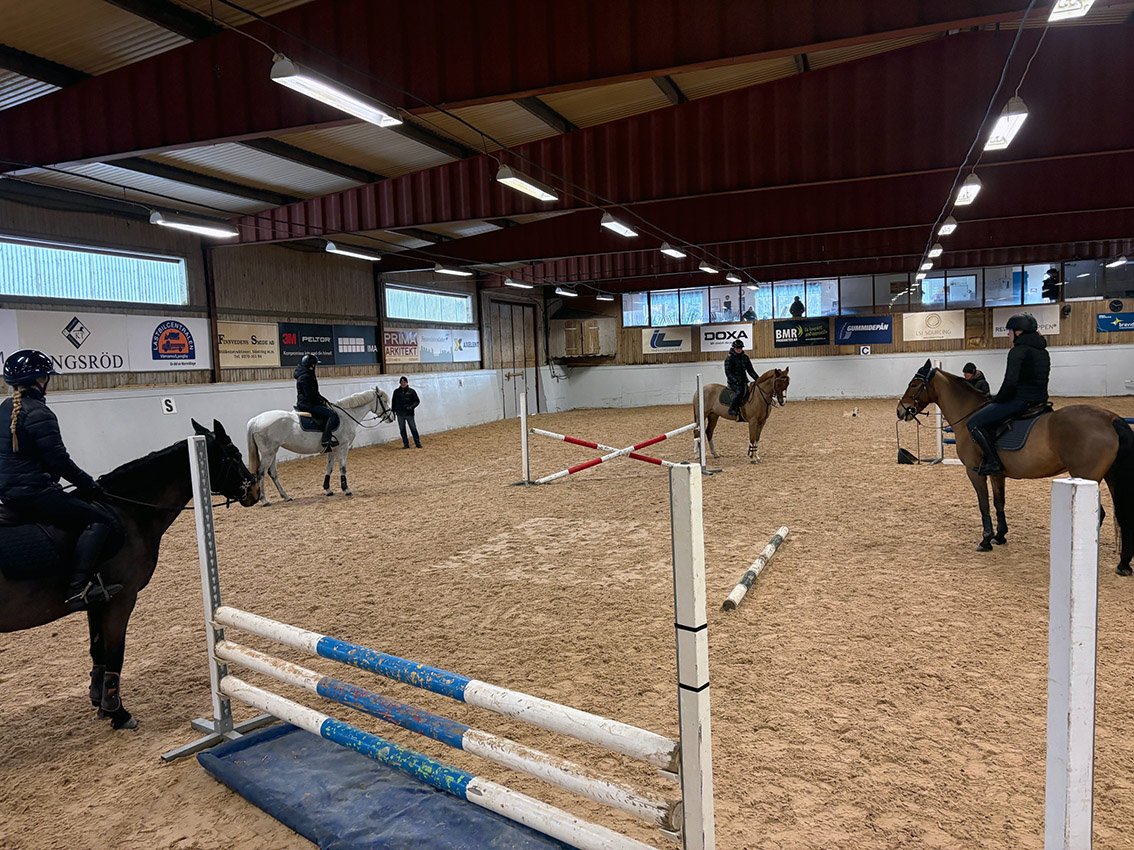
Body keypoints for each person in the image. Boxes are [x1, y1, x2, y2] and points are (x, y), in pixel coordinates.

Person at [0, 349, 122, 611]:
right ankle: (78, 588)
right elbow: (59, 461)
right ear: (39, 380)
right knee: (99, 520)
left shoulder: (5, 408)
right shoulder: (40, 413)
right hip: (35, 494)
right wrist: (89, 484)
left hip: (8, 493)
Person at [966, 313, 1050, 475]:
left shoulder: (1018, 351)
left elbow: (1010, 383)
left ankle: (994, 462)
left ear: (1018, 332)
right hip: (1040, 400)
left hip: (1021, 401)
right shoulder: (1042, 351)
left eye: (1010, 331)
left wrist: (996, 400)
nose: (1008, 334)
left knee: (973, 423)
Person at [293, 354, 339, 450]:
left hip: (308, 402)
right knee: (332, 415)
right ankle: (326, 439)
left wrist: (324, 400)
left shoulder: (305, 374)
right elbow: (310, 396)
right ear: (312, 365)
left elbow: (315, 393)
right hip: (307, 404)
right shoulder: (306, 377)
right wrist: (321, 402)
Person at [724, 339, 757, 420]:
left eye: (740, 348)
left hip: (744, 381)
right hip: (734, 382)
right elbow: (728, 372)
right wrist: (735, 380)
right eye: (737, 348)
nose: (739, 349)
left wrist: (757, 379)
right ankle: (732, 408)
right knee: (739, 392)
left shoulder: (745, 358)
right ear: (734, 348)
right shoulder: (729, 358)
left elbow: (750, 370)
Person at [391, 376, 422, 449]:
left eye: (404, 382)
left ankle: (417, 443)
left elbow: (417, 401)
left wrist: (411, 407)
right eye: (402, 382)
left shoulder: (412, 391)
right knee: (402, 430)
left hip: (409, 414)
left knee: (413, 428)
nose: (403, 383)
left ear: (407, 383)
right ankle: (406, 444)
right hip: (400, 414)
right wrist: (393, 411)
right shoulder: (396, 392)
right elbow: (393, 402)